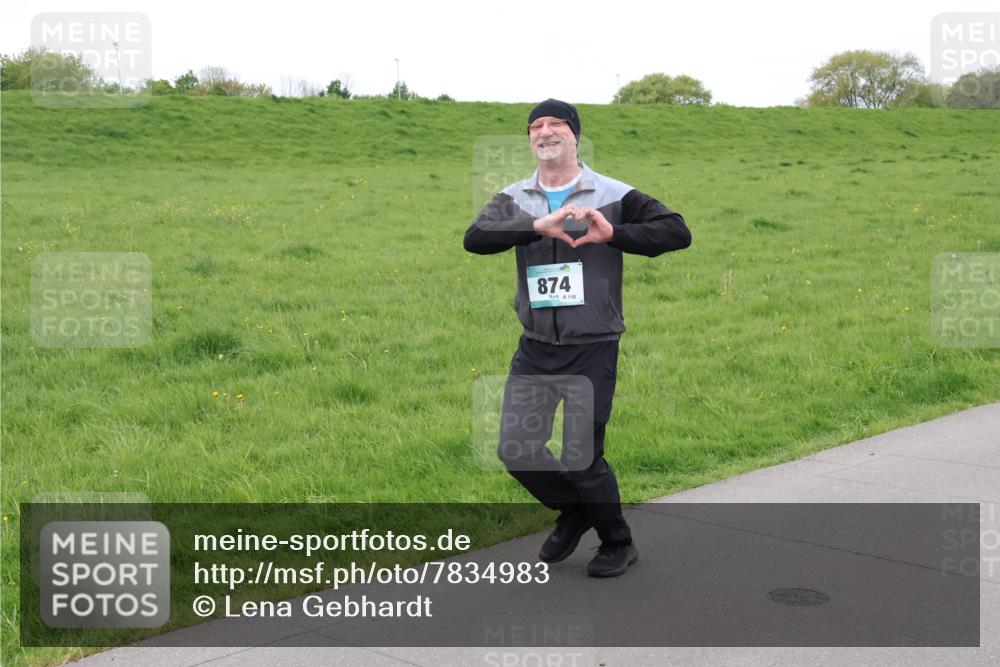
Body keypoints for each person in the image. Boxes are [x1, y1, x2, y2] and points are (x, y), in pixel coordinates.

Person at [463, 99, 691, 577]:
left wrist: (615, 234)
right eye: (536, 126)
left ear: (575, 136)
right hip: (537, 343)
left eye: (556, 124)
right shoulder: (514, 195)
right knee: (516, 448)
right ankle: (578, 511)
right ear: (530, 139)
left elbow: (676, 231)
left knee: (581, 453)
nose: (545, 131)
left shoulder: (611, 191)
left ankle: (616, 541)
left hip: (593, 343)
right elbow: (475, 237)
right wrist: (533, 226)